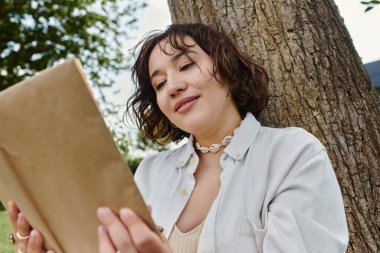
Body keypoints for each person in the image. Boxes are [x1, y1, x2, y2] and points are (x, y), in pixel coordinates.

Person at [7, 23, 349, 253]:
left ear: (226, 67)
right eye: (158, 83)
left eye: (185, 66)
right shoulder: (150, 172)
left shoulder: (292, 153)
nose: (172, 85)